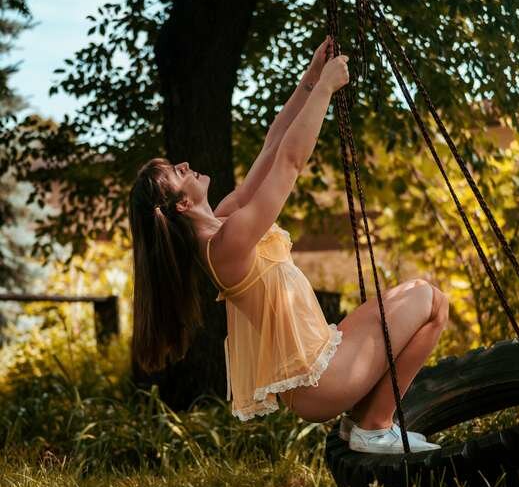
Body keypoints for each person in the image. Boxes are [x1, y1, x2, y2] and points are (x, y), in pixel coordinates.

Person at [128, 37, 448, 454]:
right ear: (183, 204)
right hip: (320, 379)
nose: (186, 165)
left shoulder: (225, 218)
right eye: (178, 172)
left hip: (322, 353)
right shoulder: (227, 243)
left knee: (421, 293)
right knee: (430, 301)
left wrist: (311, 79)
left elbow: (273, 144)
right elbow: (290, 163)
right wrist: (327, 89)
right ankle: (374, 427)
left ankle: (366, 422)